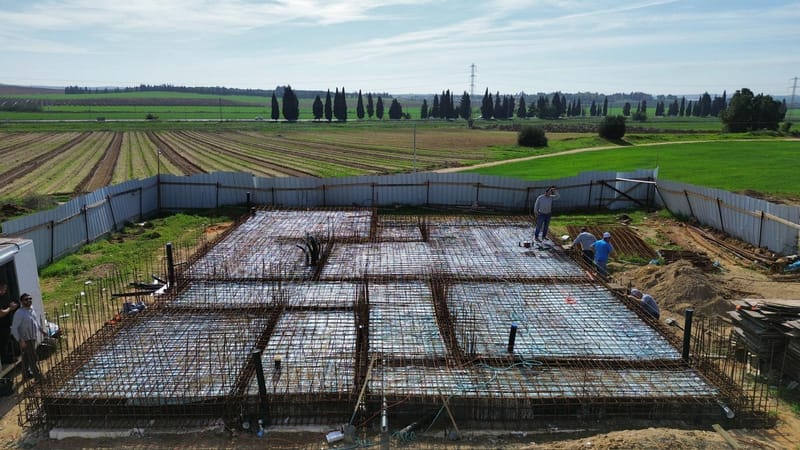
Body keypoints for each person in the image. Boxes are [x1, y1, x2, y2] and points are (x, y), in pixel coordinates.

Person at [11, 293, 46, 381]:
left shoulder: (31, 309)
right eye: (26, 299)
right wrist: (20, 340)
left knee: (26, 357)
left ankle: (26, 375)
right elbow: (14, 328)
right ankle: (38, 376)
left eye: (30, 299)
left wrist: (41, 330)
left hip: (32, 337)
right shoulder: (19, 313)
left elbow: (35, 321)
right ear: (22, 302)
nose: (29, 301)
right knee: (32, 357)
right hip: (25, 339)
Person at [0, 283, 19, 366]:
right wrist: (10, 308)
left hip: (5, 325)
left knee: (6, 342)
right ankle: (5, 359)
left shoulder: (3, 297)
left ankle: (6, 357)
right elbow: (1, 313)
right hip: (2, 326)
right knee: (3, 343)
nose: (5, 290)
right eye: (4, 289)